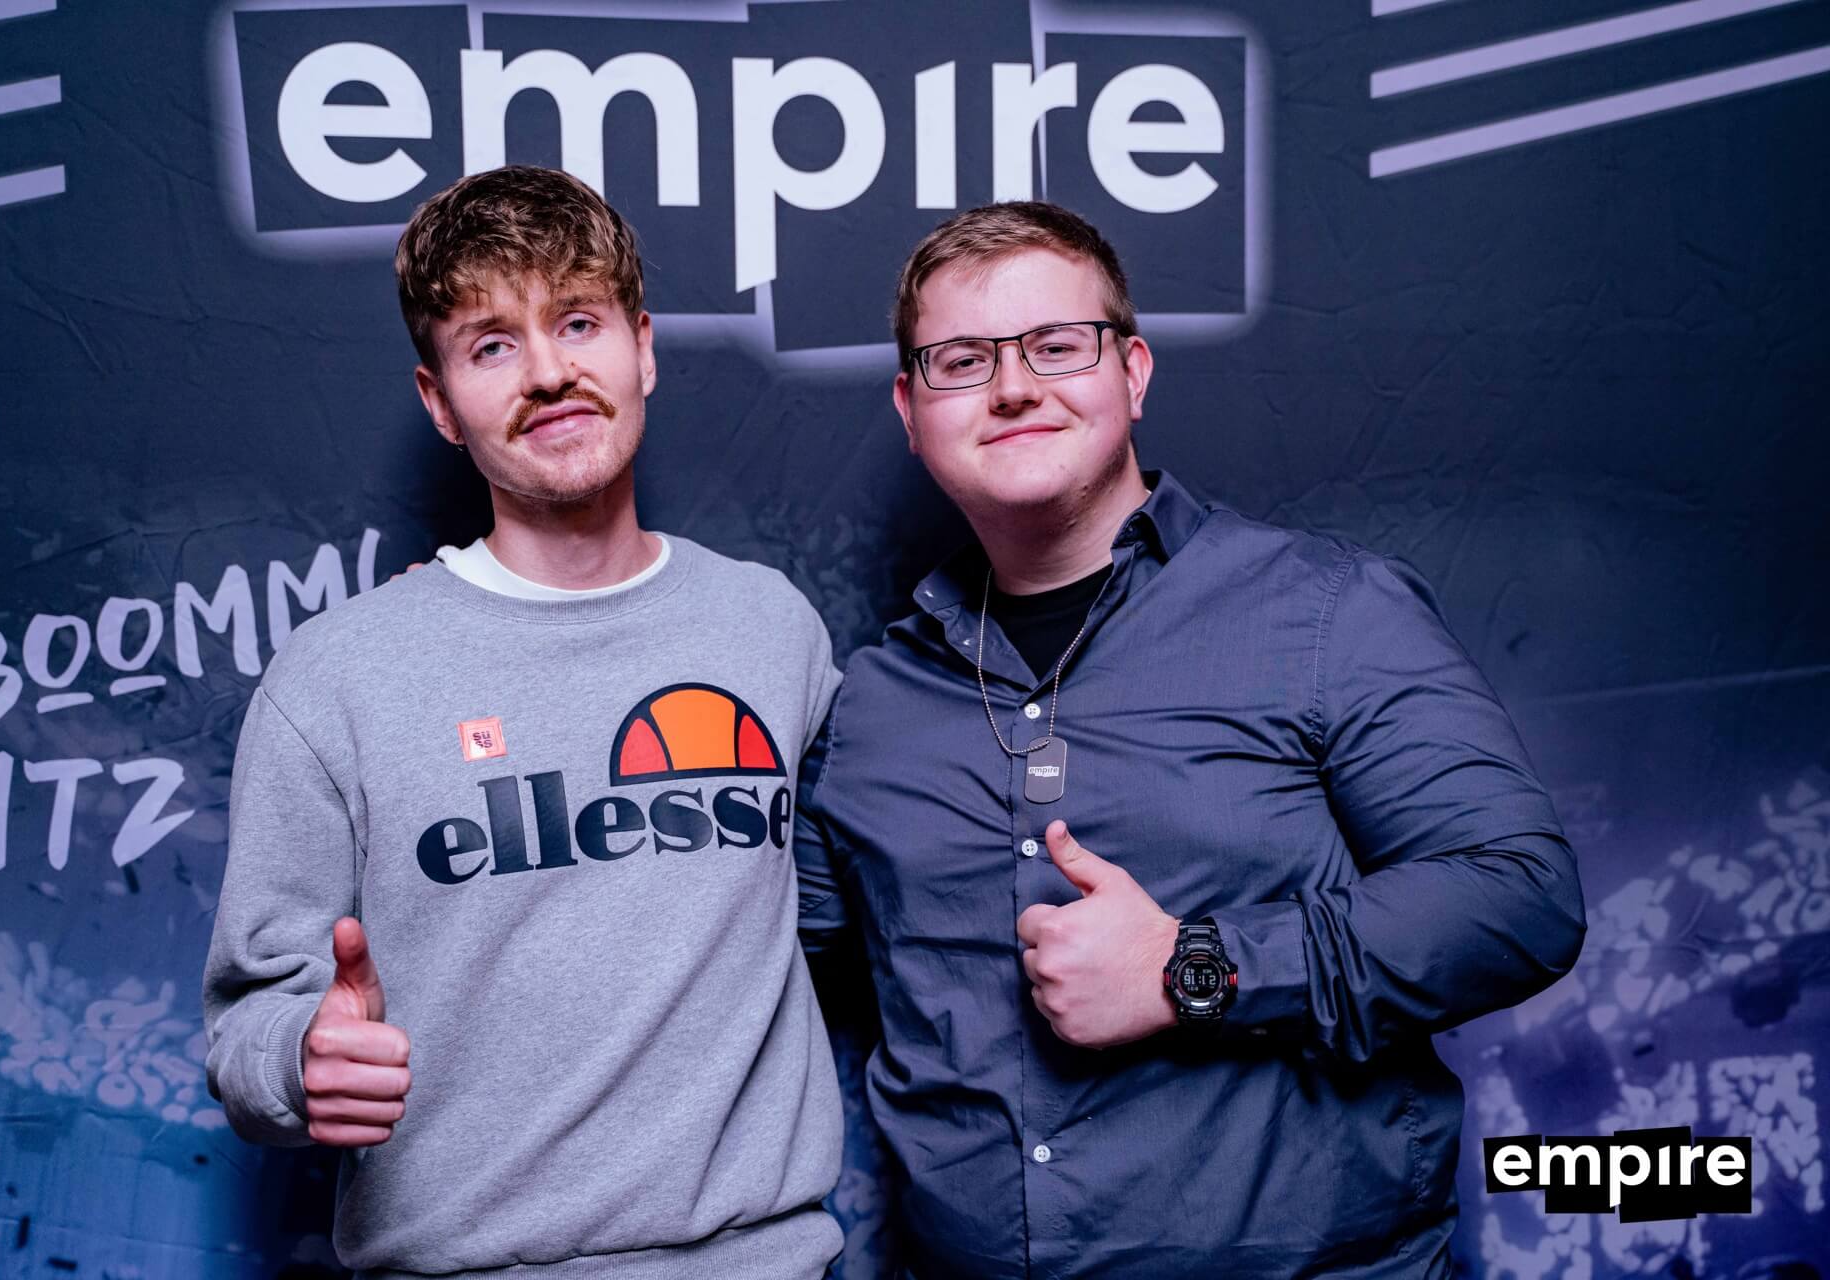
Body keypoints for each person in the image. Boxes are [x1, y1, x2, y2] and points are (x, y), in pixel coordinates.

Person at [796, 201, 1587, 1278]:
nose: (1013, 386)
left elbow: (1520, 897)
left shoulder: (1325, 612)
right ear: (911, 407)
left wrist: (1193, 969)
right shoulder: (871, 704)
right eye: (963, 360)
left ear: (1133, 372)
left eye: (1057, 345)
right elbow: (746, 968)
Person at [202, 166, 844, 1279]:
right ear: (439, 401)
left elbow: (863, 893)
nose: (549, 372)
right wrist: (299, 1059)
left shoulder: (771, 629)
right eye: (492, 344)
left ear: (643, 348)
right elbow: (249, 1022)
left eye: (579, 322)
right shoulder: (338, 677)